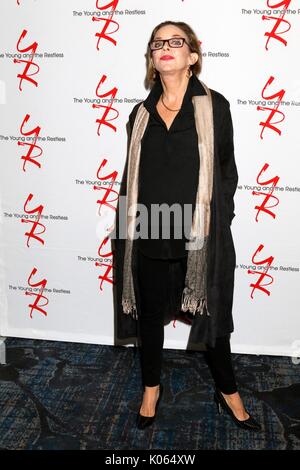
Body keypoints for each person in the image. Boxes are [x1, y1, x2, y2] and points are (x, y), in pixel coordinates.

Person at [112, 20, 261, 432]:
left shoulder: (215, 106)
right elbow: (134, 175)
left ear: (192, 55)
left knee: (212, 320)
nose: (166, 47)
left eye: (176, 41)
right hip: (148, 228)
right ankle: (150, 389)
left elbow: (227, 172)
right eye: (158, 43)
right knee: (148, 320)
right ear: (152, 58)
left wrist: (217, 221)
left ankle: (228, 390)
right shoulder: (139, 113)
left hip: (199, 233)